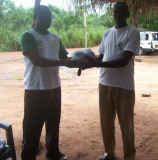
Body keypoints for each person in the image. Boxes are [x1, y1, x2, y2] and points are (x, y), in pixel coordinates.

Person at [82, 2, 140, 160]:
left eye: (122, 13)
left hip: (124, 86)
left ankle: (129, 156)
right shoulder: (107, 33)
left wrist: (97, 64)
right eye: (115, 13)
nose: (118, 16)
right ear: (112, 14)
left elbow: (123, 60)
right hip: (105, 83)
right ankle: (109, 153)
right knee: (106, 123)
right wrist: (86, 64)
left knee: (126, 125)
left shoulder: (133, 32)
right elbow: (100, 57)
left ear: (127, 14)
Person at [20, 5, 78, 160]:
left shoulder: (55, 38)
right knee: (32, 126)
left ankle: (52, 152)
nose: (47, 19)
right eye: (42, 16)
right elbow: (36, 60)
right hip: (35, 89)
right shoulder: (28, 36)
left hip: (54, 87)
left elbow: (65, 59)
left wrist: (81, 61)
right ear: (35, 18)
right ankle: (28, 155)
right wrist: (64, 63)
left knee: (53, 123)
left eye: (49, 16)